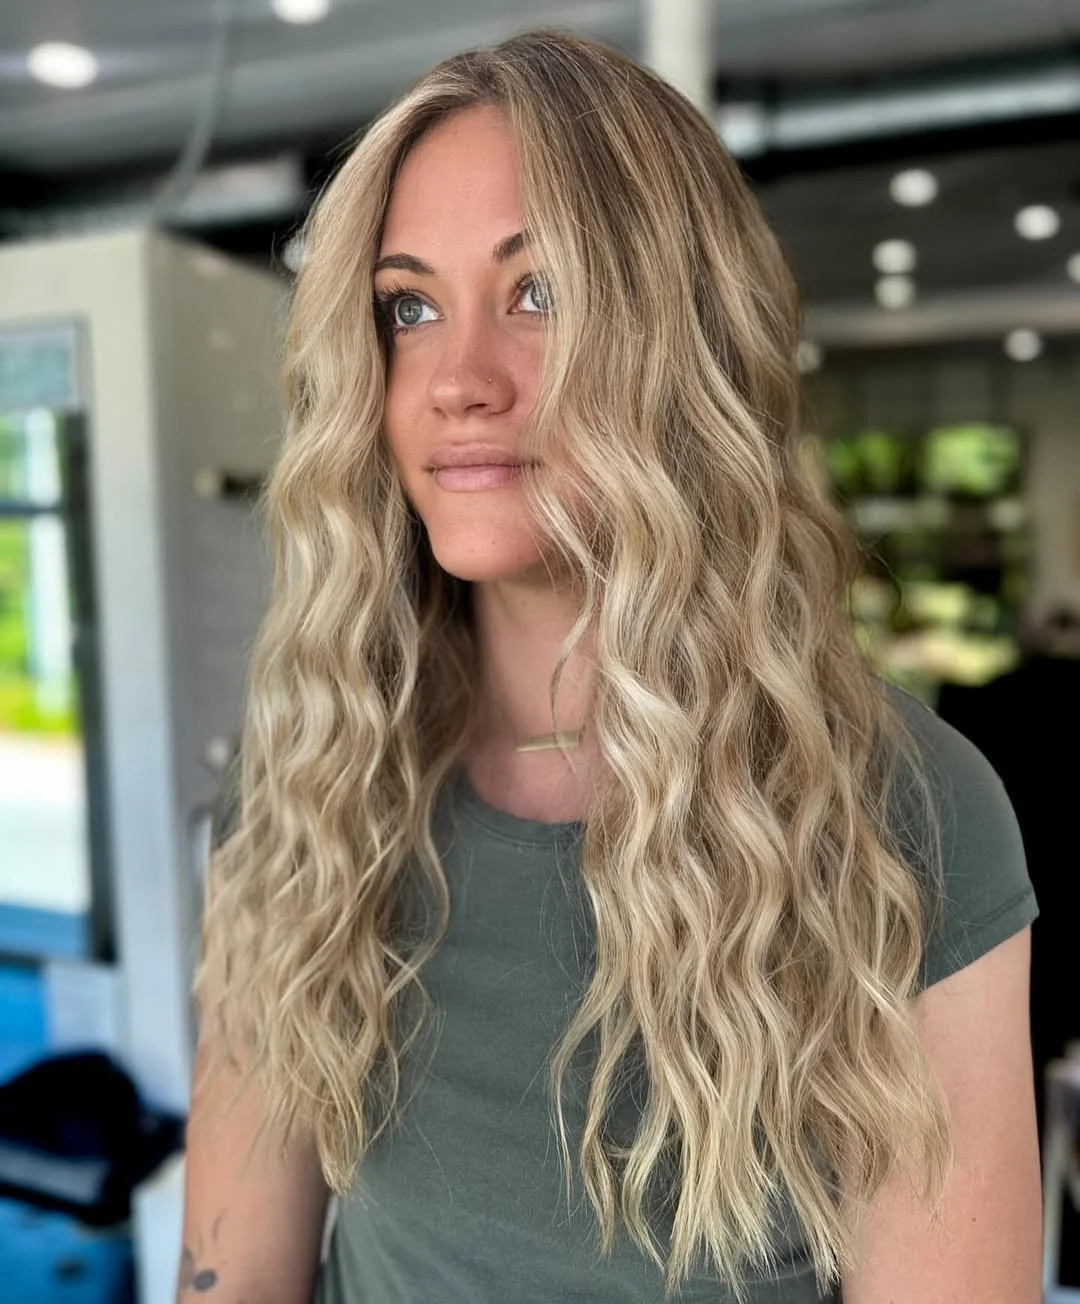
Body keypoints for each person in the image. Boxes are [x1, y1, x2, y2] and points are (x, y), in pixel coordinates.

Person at [178, 30, 1041, 1304]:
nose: (458, 380)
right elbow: (230, 1276)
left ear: (683, 338)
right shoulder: (313, 776)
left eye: (539, 293)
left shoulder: (902, 815)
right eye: (409, 308)